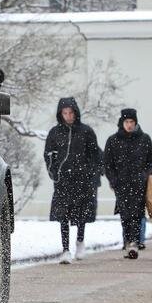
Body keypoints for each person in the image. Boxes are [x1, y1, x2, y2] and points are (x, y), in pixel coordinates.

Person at [43, 97, 101, 264]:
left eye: (70, 112)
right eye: (65, 113)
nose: (68, 116)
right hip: (63, 181)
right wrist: (53, 172)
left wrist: (90, 174)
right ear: (60, 114)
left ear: (75, 113)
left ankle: (80, 242)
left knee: (81, 214)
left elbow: (94, 156)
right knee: (63, 216)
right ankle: (65, 249)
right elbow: (49, 154)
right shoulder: (54, 133)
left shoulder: (86, 132)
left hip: (82, 180)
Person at [104, 108, 152, 259]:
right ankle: (128, 241)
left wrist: (144, 175)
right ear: (122, 123)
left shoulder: (144, 139)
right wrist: (114, 180)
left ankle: (134, 243)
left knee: (137, 214)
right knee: (125, 215)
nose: (129, 125)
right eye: (126, 122)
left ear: (136, 123)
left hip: (138, 184)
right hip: (121, 184)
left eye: (132, 122)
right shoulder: (113, 141)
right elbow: (107, 164)